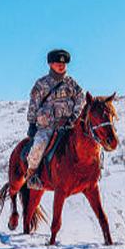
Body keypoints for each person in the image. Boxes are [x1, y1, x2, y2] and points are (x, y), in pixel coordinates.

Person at [21, 49, 85, 190]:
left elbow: (81, 99)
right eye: (57, 63)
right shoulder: (41, 84)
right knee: (39, 145)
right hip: (47, 126)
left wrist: (74, 117)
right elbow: (33, 104)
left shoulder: (71, 83)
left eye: (64, 63)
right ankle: (32, 175)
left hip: (68, 125)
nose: (61, 65)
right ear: (50, 64)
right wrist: (32, 123)